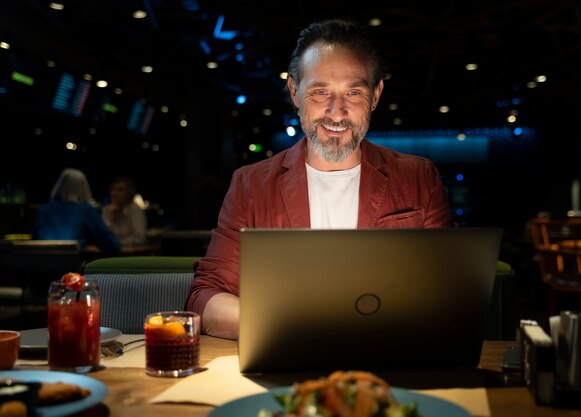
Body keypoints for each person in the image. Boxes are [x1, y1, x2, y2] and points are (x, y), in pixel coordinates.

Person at [186, 19, 454, 340]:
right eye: (320, 91)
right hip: (286, 363)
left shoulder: (418, 177)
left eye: (353, 92)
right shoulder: (250, 185)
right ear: (294, 92)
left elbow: (448, 292)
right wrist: (294, 326)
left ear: (375, 95)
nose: (336, 112)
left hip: (387, 363)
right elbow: (205, 297)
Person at [33, 168, 121, 255]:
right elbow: (111, 245)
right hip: (71, 264)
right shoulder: (86, 210)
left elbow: (35, 238)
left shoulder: (45, 209)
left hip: (42, 264)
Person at [101, 175, 147, 247]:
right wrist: (111, 217)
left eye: (120, 190)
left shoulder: (135, 210)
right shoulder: (106, 210)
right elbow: (102, 236)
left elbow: (139, 239)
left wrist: (115, 243)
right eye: (113, 189)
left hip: (130, 255)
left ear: (129, 193)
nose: (114, 194)